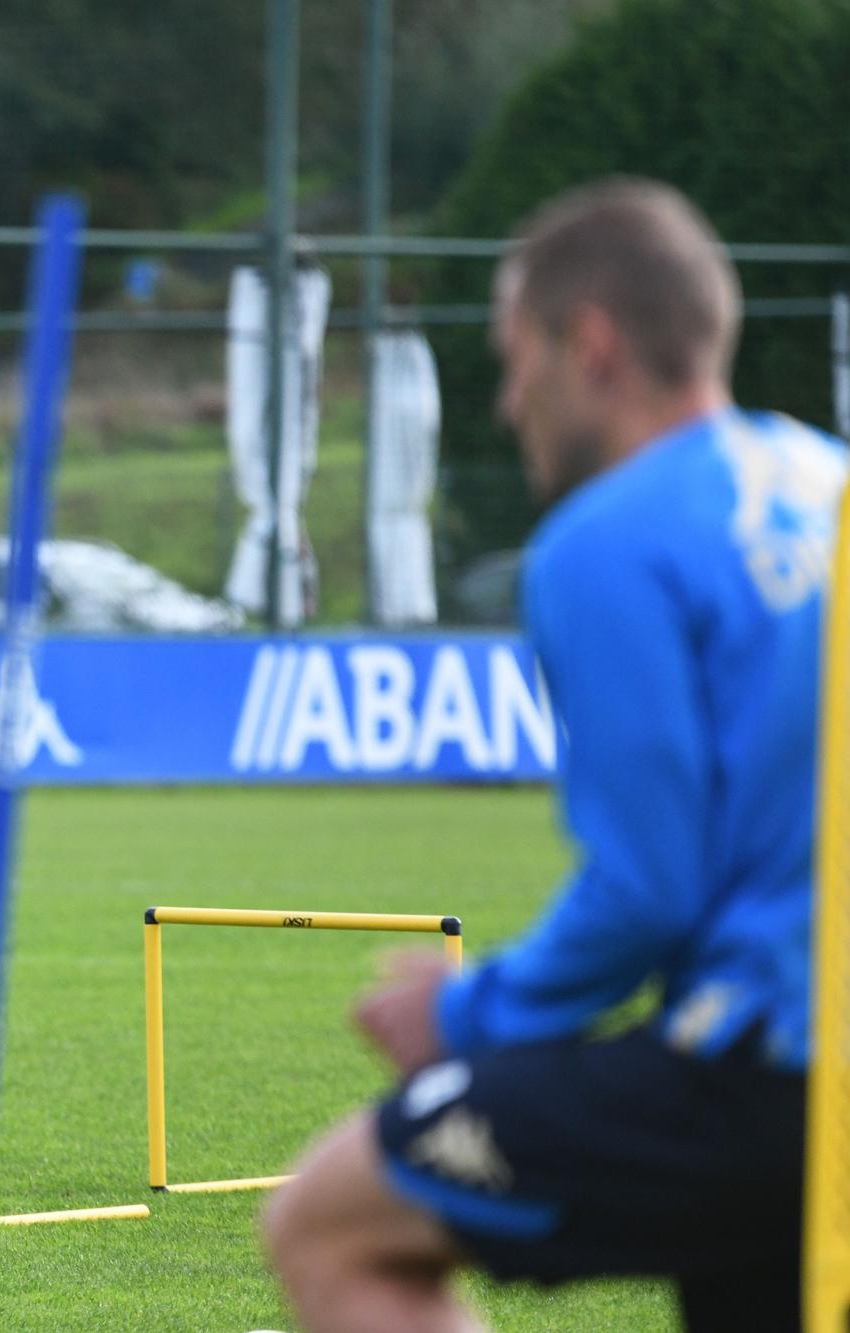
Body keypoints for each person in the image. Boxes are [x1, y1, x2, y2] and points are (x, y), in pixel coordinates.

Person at [261, 178, 847, 1331]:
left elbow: (647, 890)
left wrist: (470, 1014)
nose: (505, 400)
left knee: (325, 1223)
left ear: (589, 345)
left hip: (774, 1073)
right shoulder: (829, 480)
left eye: (512, 356)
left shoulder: (603, 541)